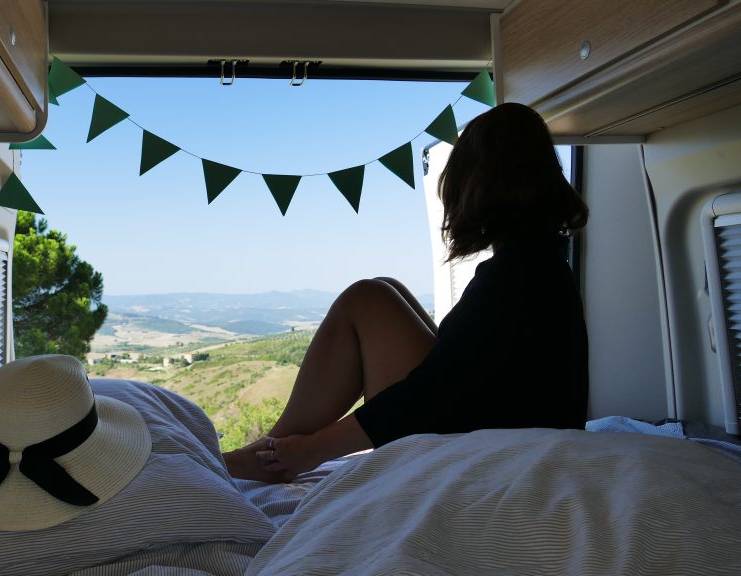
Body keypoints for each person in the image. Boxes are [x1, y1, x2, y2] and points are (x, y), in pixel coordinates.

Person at [223, 102, 590, 483]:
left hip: (492, 459)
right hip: (501, 440)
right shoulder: (537, 264)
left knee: (367, 299)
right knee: (386, 289)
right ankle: (270, 450)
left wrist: (312, 449)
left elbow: (428, 395)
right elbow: (463, 374)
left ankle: (270, 455)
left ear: (480, 184)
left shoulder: (519, 274)